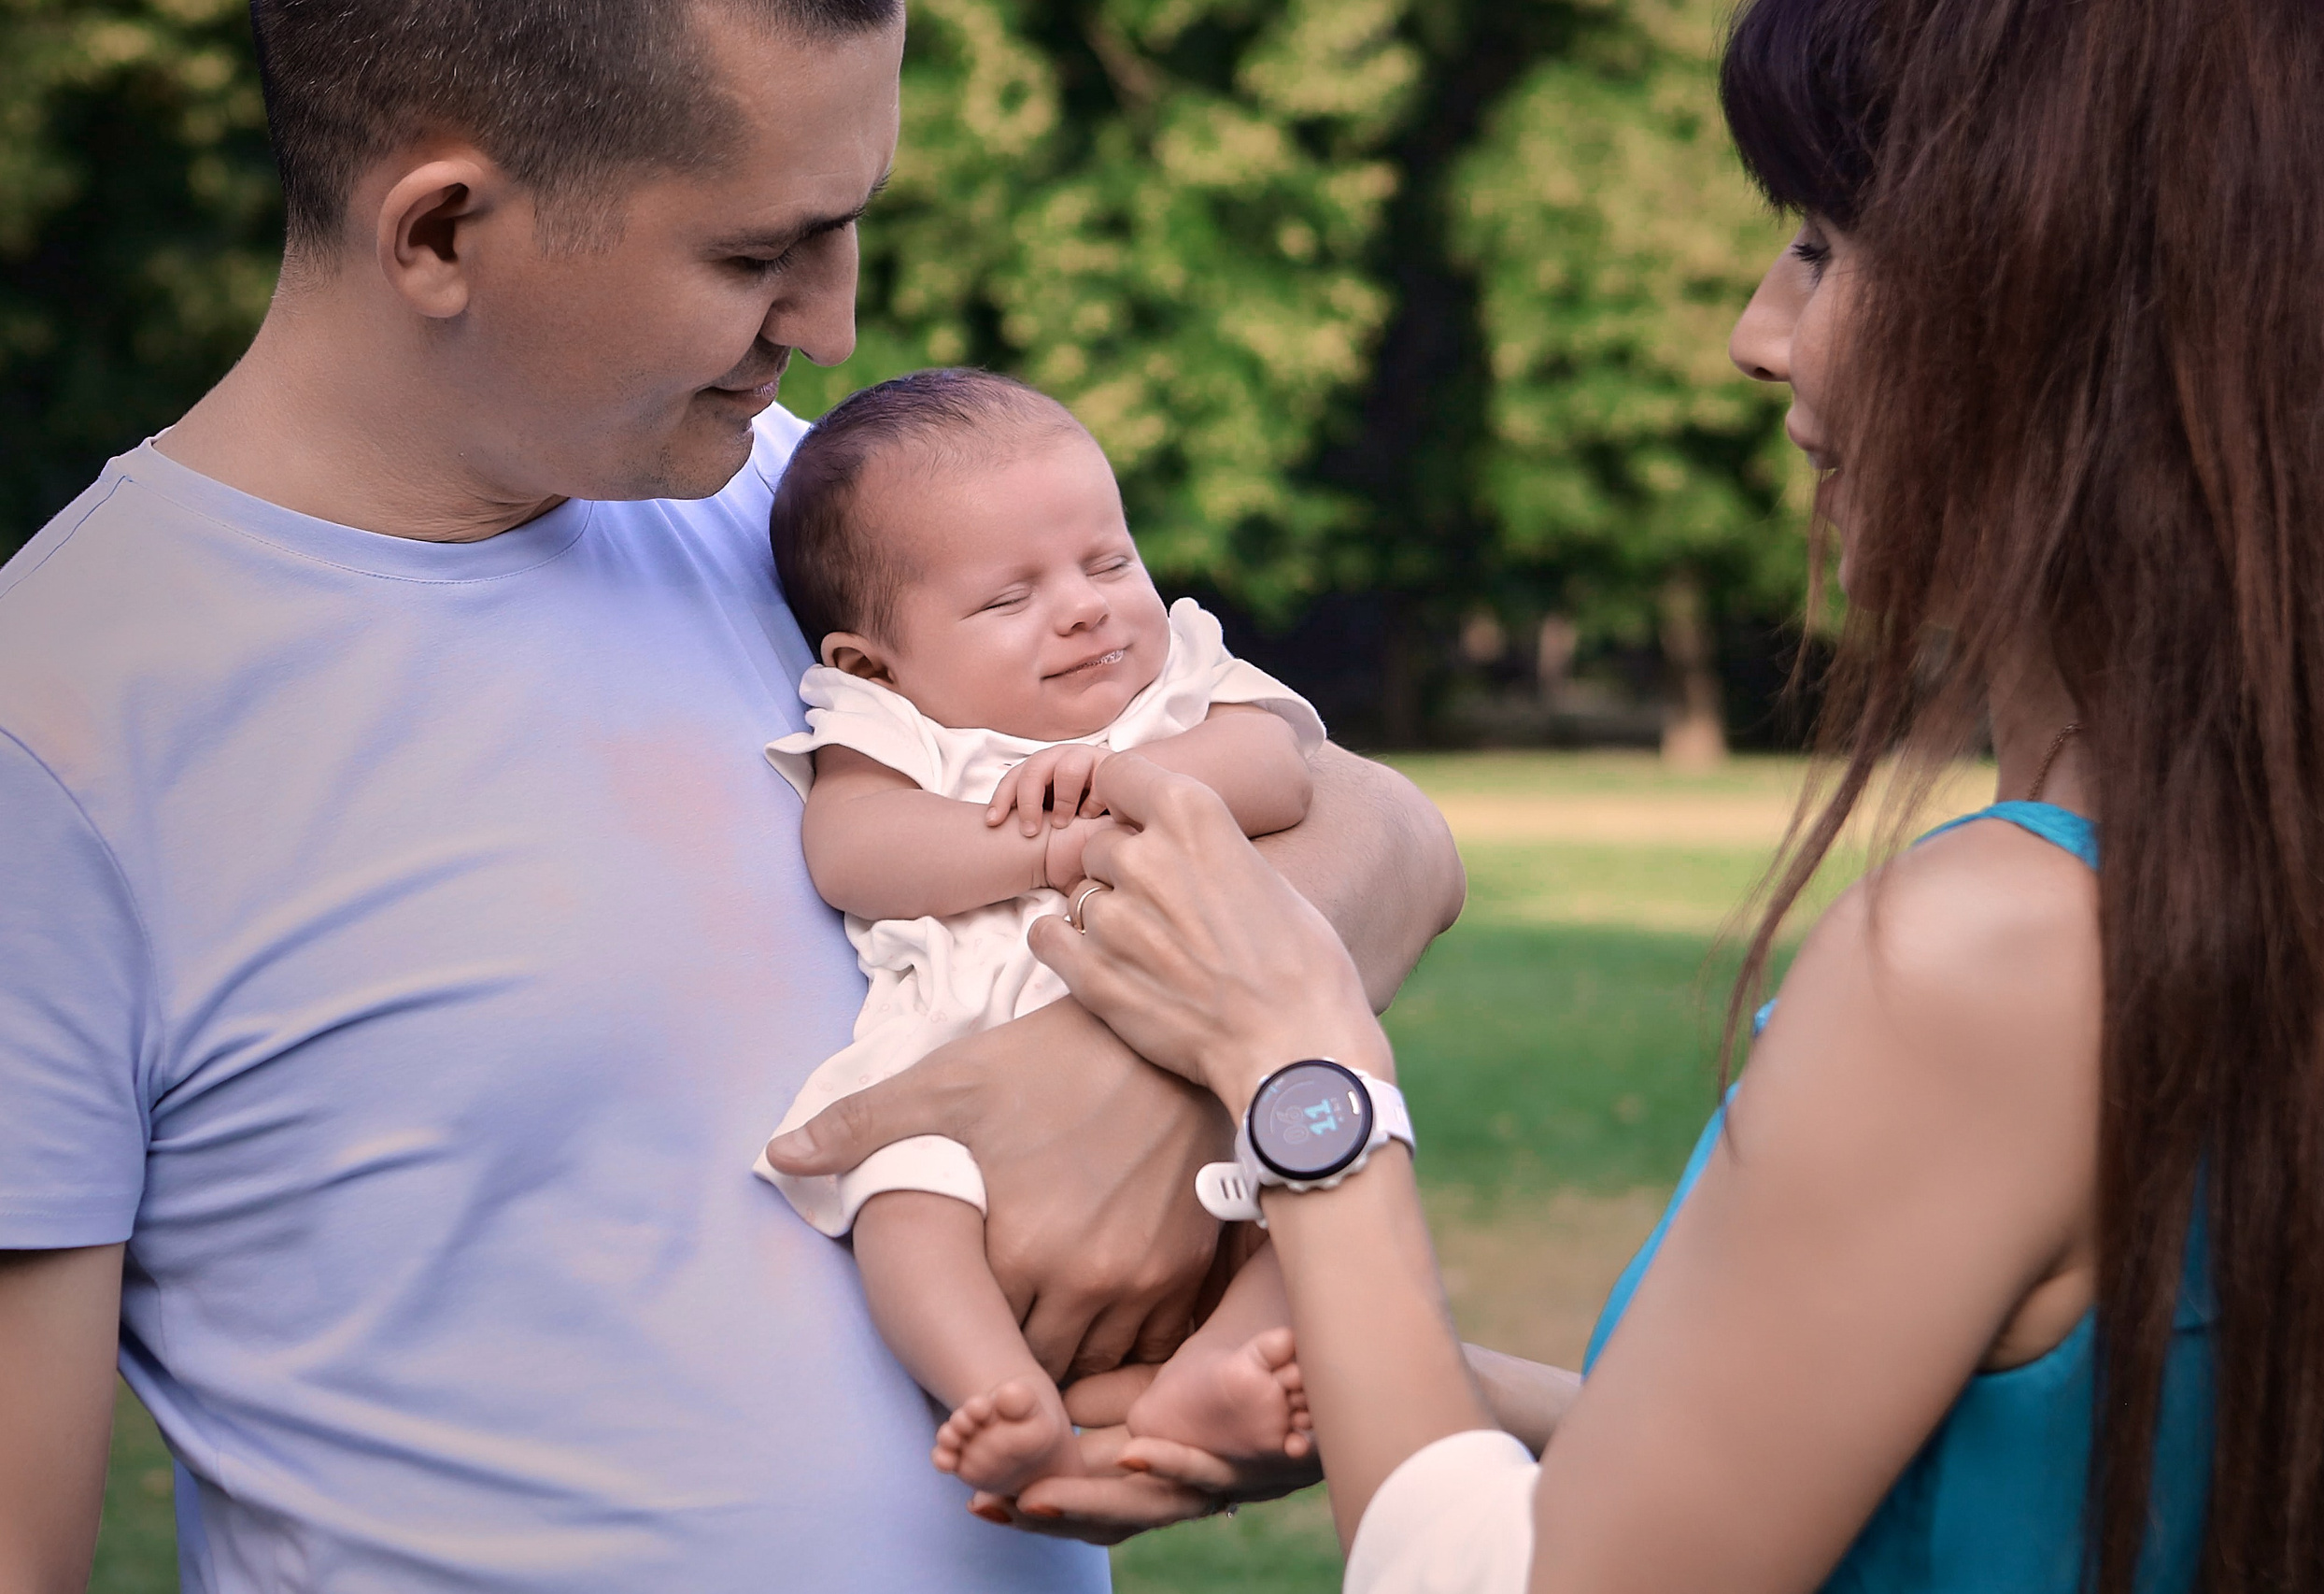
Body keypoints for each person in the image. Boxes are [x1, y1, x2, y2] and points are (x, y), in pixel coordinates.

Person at [778, 0, 2324, 1585]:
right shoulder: (2277, 882)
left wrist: (1299, 1072)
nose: (1757, 332)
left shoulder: (1994, 955)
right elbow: (1848, 1488)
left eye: (1821, 247)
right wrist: (1393, 1379)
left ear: (2066, 317)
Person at [0, 2, 1465, 1589]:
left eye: (848, 224)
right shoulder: (59, 737)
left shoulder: (792, 513)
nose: (832, 324)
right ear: (439, 232)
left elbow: (1389, 833)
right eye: (760, 252)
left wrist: (1132, 1075)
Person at [752, 367, 1320, 1494]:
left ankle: (1221, 1367)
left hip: (1203, 1045)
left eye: (1108, 561)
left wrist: (1120, 776)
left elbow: (1277, 769)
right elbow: (851, 848)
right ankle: (998, 1391)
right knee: (903, 1194)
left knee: (1318, 1188)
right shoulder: (890, 726)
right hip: (960, 1057)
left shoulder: (1176, 686)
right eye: (1009, 598)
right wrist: (1048, 848)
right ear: (872, 660)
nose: (1084, 606)